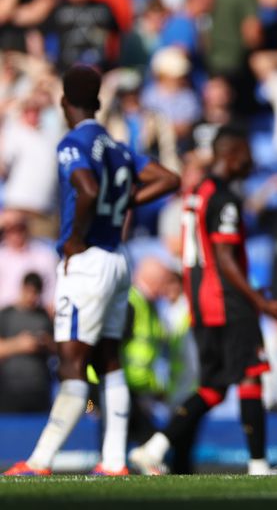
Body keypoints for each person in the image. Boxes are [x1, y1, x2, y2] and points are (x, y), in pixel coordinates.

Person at [4, 65, 180, 476]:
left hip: (87, 262)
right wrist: (123, 205)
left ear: (65, 102)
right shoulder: (117, 146)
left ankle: (40, 460)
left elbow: (85, 187)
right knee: (108, 358)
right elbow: (169, 178)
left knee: (72, 361)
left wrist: (74, 238)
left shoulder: (73, 142)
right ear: (98, 102)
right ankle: (115, 461)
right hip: (120, 258)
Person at [129, 125, 277, 476]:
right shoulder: (223, 196)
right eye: (247, 155)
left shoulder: (196, 193)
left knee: (213, 386)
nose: (252, 162)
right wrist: (258, 301)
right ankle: (258, 464)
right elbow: (223, 255)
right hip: (227, 300)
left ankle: (154, 447)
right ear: (232, 154)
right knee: (251, 375)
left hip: (200, 301)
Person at [0, 272, 54, 413]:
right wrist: (19, 344)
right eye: (28, 292)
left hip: (39, 389)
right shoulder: (6, 315)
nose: (32, 297)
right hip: (9, 389)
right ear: (22, 289)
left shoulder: (44, 316)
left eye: (36, 293)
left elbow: (60, 349)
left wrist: (46, 342)